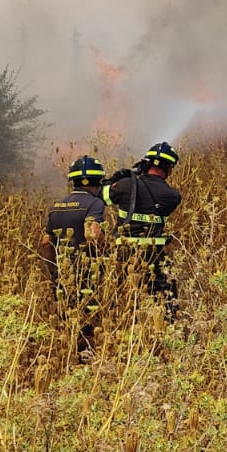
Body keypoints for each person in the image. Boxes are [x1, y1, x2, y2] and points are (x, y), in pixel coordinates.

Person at [101, 141, 184, 321]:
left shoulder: (125, 186)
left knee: (120, 295)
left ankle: (120, 327)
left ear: (146, 163)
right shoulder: (173, 196)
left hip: (124, 255)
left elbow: (102, 196)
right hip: (155, 255)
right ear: (169, 168)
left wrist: (118, 178)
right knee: (166, 297)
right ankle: (167, 330)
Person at [40, 155, 108, 359]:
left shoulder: (57, 206)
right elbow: (93, 233)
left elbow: (45, 244)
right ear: (98, 182)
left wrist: (53, 270)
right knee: (88, 316)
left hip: (63, 271)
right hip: (88, 272)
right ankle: (85, 357)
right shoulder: (95, 203)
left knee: (66, 315)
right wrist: (107, 251)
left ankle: (64, 355)